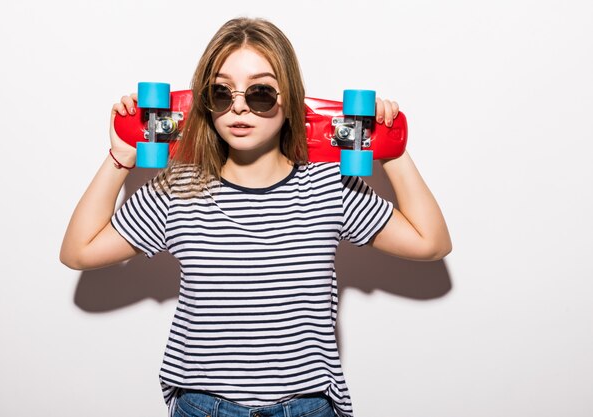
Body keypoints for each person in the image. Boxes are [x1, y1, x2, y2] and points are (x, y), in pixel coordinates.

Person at [60, 17, 451, 417]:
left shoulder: (331, 186)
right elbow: (79, 251)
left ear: (291, 100)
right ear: (204, 103)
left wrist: (392, 148)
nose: (240, 105)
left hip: (307, 407)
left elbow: (431, 242)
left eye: (261, 92)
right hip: (204, 406)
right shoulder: (178, 190)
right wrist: (121, 157)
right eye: (221, 92)